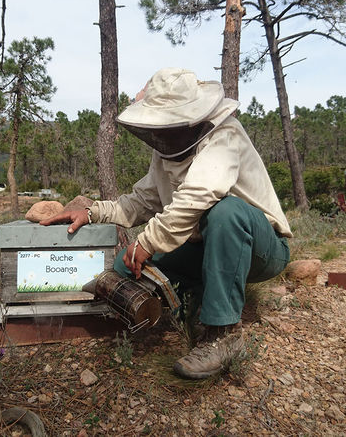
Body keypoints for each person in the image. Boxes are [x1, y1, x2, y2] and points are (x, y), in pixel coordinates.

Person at [41, 67, 292, 379]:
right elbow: (142, 201)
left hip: (261, 250)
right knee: (124, 264)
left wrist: (147, 242)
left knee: (225, 212)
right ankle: (187, 302)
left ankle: (223, 333)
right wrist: (92, 211)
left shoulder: (225, 137)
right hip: (208, 248)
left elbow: (198, 196)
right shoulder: (166, 153)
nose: (158, 135)